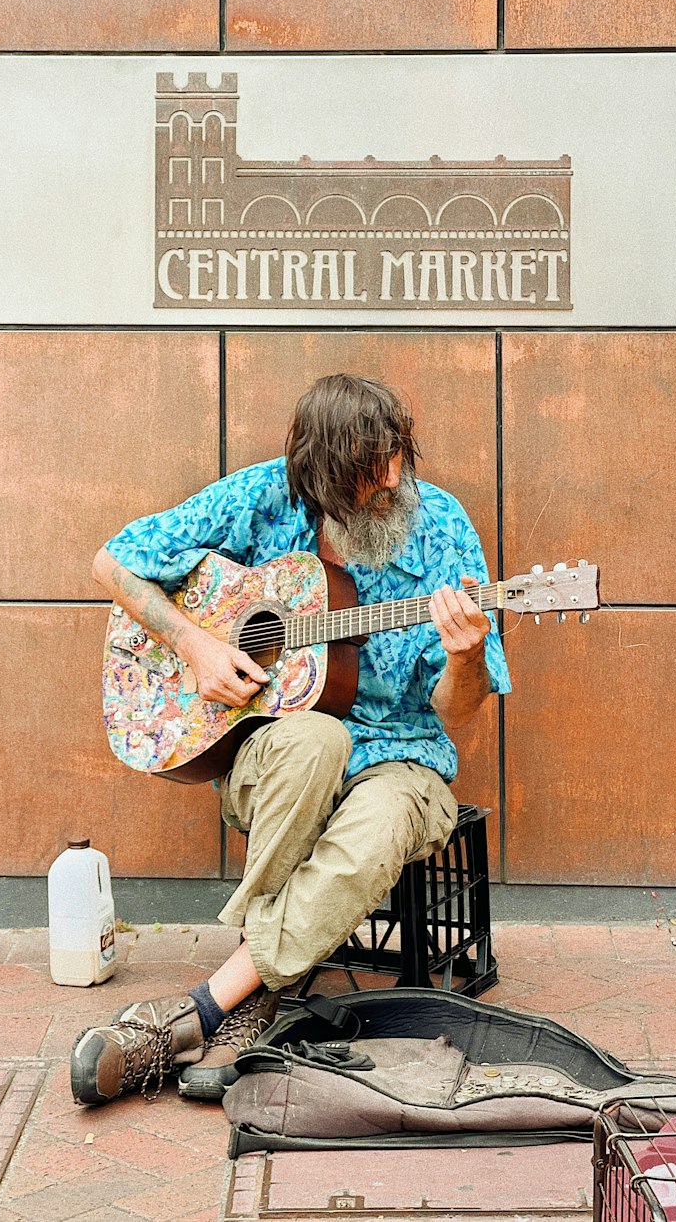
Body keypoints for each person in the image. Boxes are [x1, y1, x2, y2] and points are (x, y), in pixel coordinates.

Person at [71, 373, 510, 1106]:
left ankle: (213, 1006)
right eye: (372, 467)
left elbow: (458, 709)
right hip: (275, 757)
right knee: (314, 740)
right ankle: (251, 997)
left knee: (373, 822)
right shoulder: (261, 496)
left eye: (399, 454)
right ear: (319, 475)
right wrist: (197, 647)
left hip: (403, 758)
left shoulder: (439, 526)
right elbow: (112, 560)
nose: (394, 478)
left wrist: (465, 655)